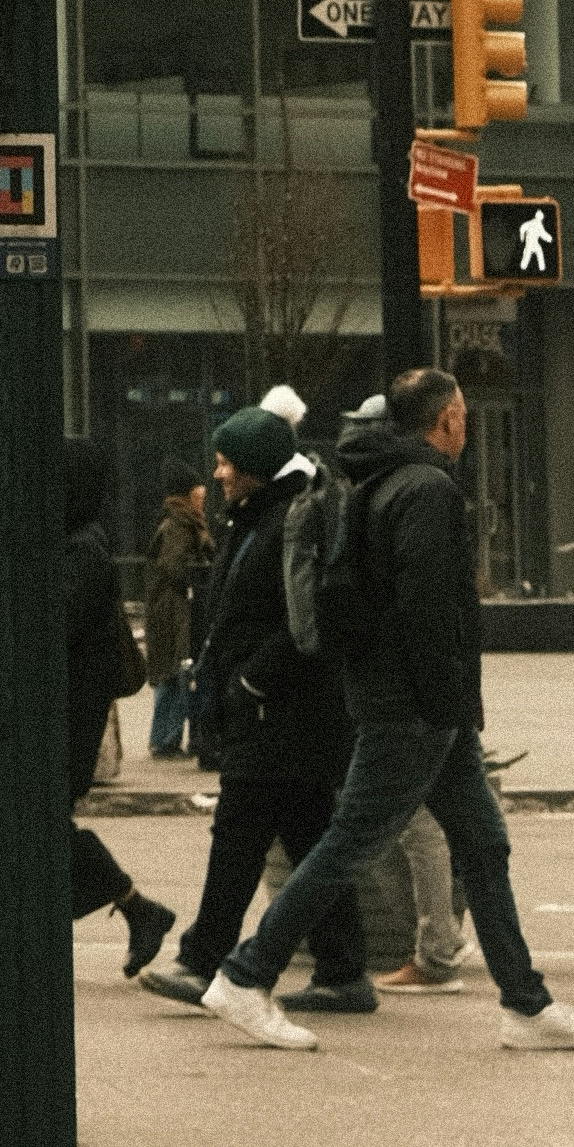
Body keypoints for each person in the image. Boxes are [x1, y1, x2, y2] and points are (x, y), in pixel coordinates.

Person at [203, 366, 574, 1052]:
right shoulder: (426, 489)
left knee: (483, 844)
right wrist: (443, 703)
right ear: (449, 417)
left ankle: (526, 1003)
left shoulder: (374, 481)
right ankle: (245, 975)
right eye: (463, 415)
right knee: (351, 842)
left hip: (412, 703)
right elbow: (425, 607)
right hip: (417, 708)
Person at [140, 408, 377, 1016]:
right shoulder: (264, 515)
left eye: (227, 463)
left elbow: (304, 620)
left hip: (280, 711)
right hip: (278, 710)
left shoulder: (288, 521)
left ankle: (202, 959)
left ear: (256, 467)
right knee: (307, 836)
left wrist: (249, 683)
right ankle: (344, 969)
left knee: (240, 836)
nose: (217, 474)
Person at [57, 441, 182, 974]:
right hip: (69, 715)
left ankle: (138, 907)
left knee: (39, 829)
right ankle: (138, 909)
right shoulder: (78, 543)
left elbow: (59, 625)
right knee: (44, 829)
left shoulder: (82, 550)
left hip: (68, 719)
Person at [141, 470, 213, 760]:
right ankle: (165, 739)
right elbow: (175, 566)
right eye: (198, 488)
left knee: (173, 670)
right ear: (188, 493)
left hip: (173, 606)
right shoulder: (180, 525)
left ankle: (166, 738)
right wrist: (200, 576)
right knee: (175, 671)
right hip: (175, 608)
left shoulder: (183, 521)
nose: (204, 492)